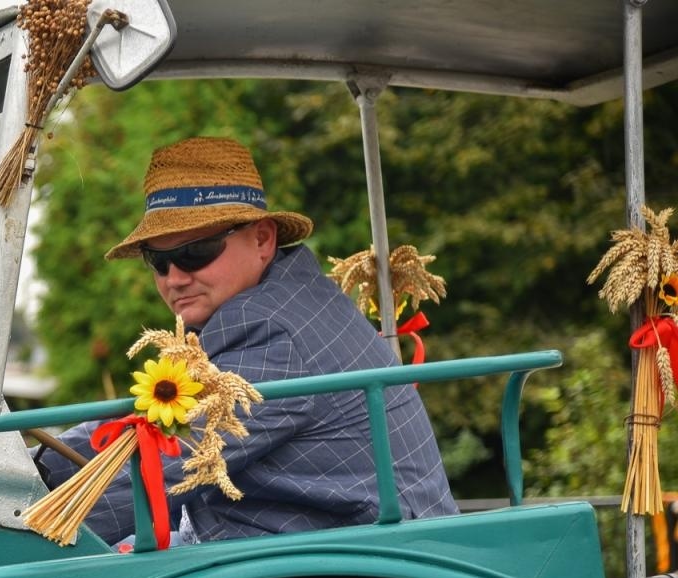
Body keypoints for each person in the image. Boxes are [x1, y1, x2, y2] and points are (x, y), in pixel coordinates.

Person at [34, 136, 457, 545]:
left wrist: (29, 523)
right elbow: (152, 423)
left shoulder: (268, 328)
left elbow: (167, 462)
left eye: (196, 252)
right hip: (321, 538)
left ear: (262, 239)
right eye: (158, 261)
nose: (176, 278)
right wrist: (39, 460)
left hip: (361, 566)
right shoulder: (284, 296)